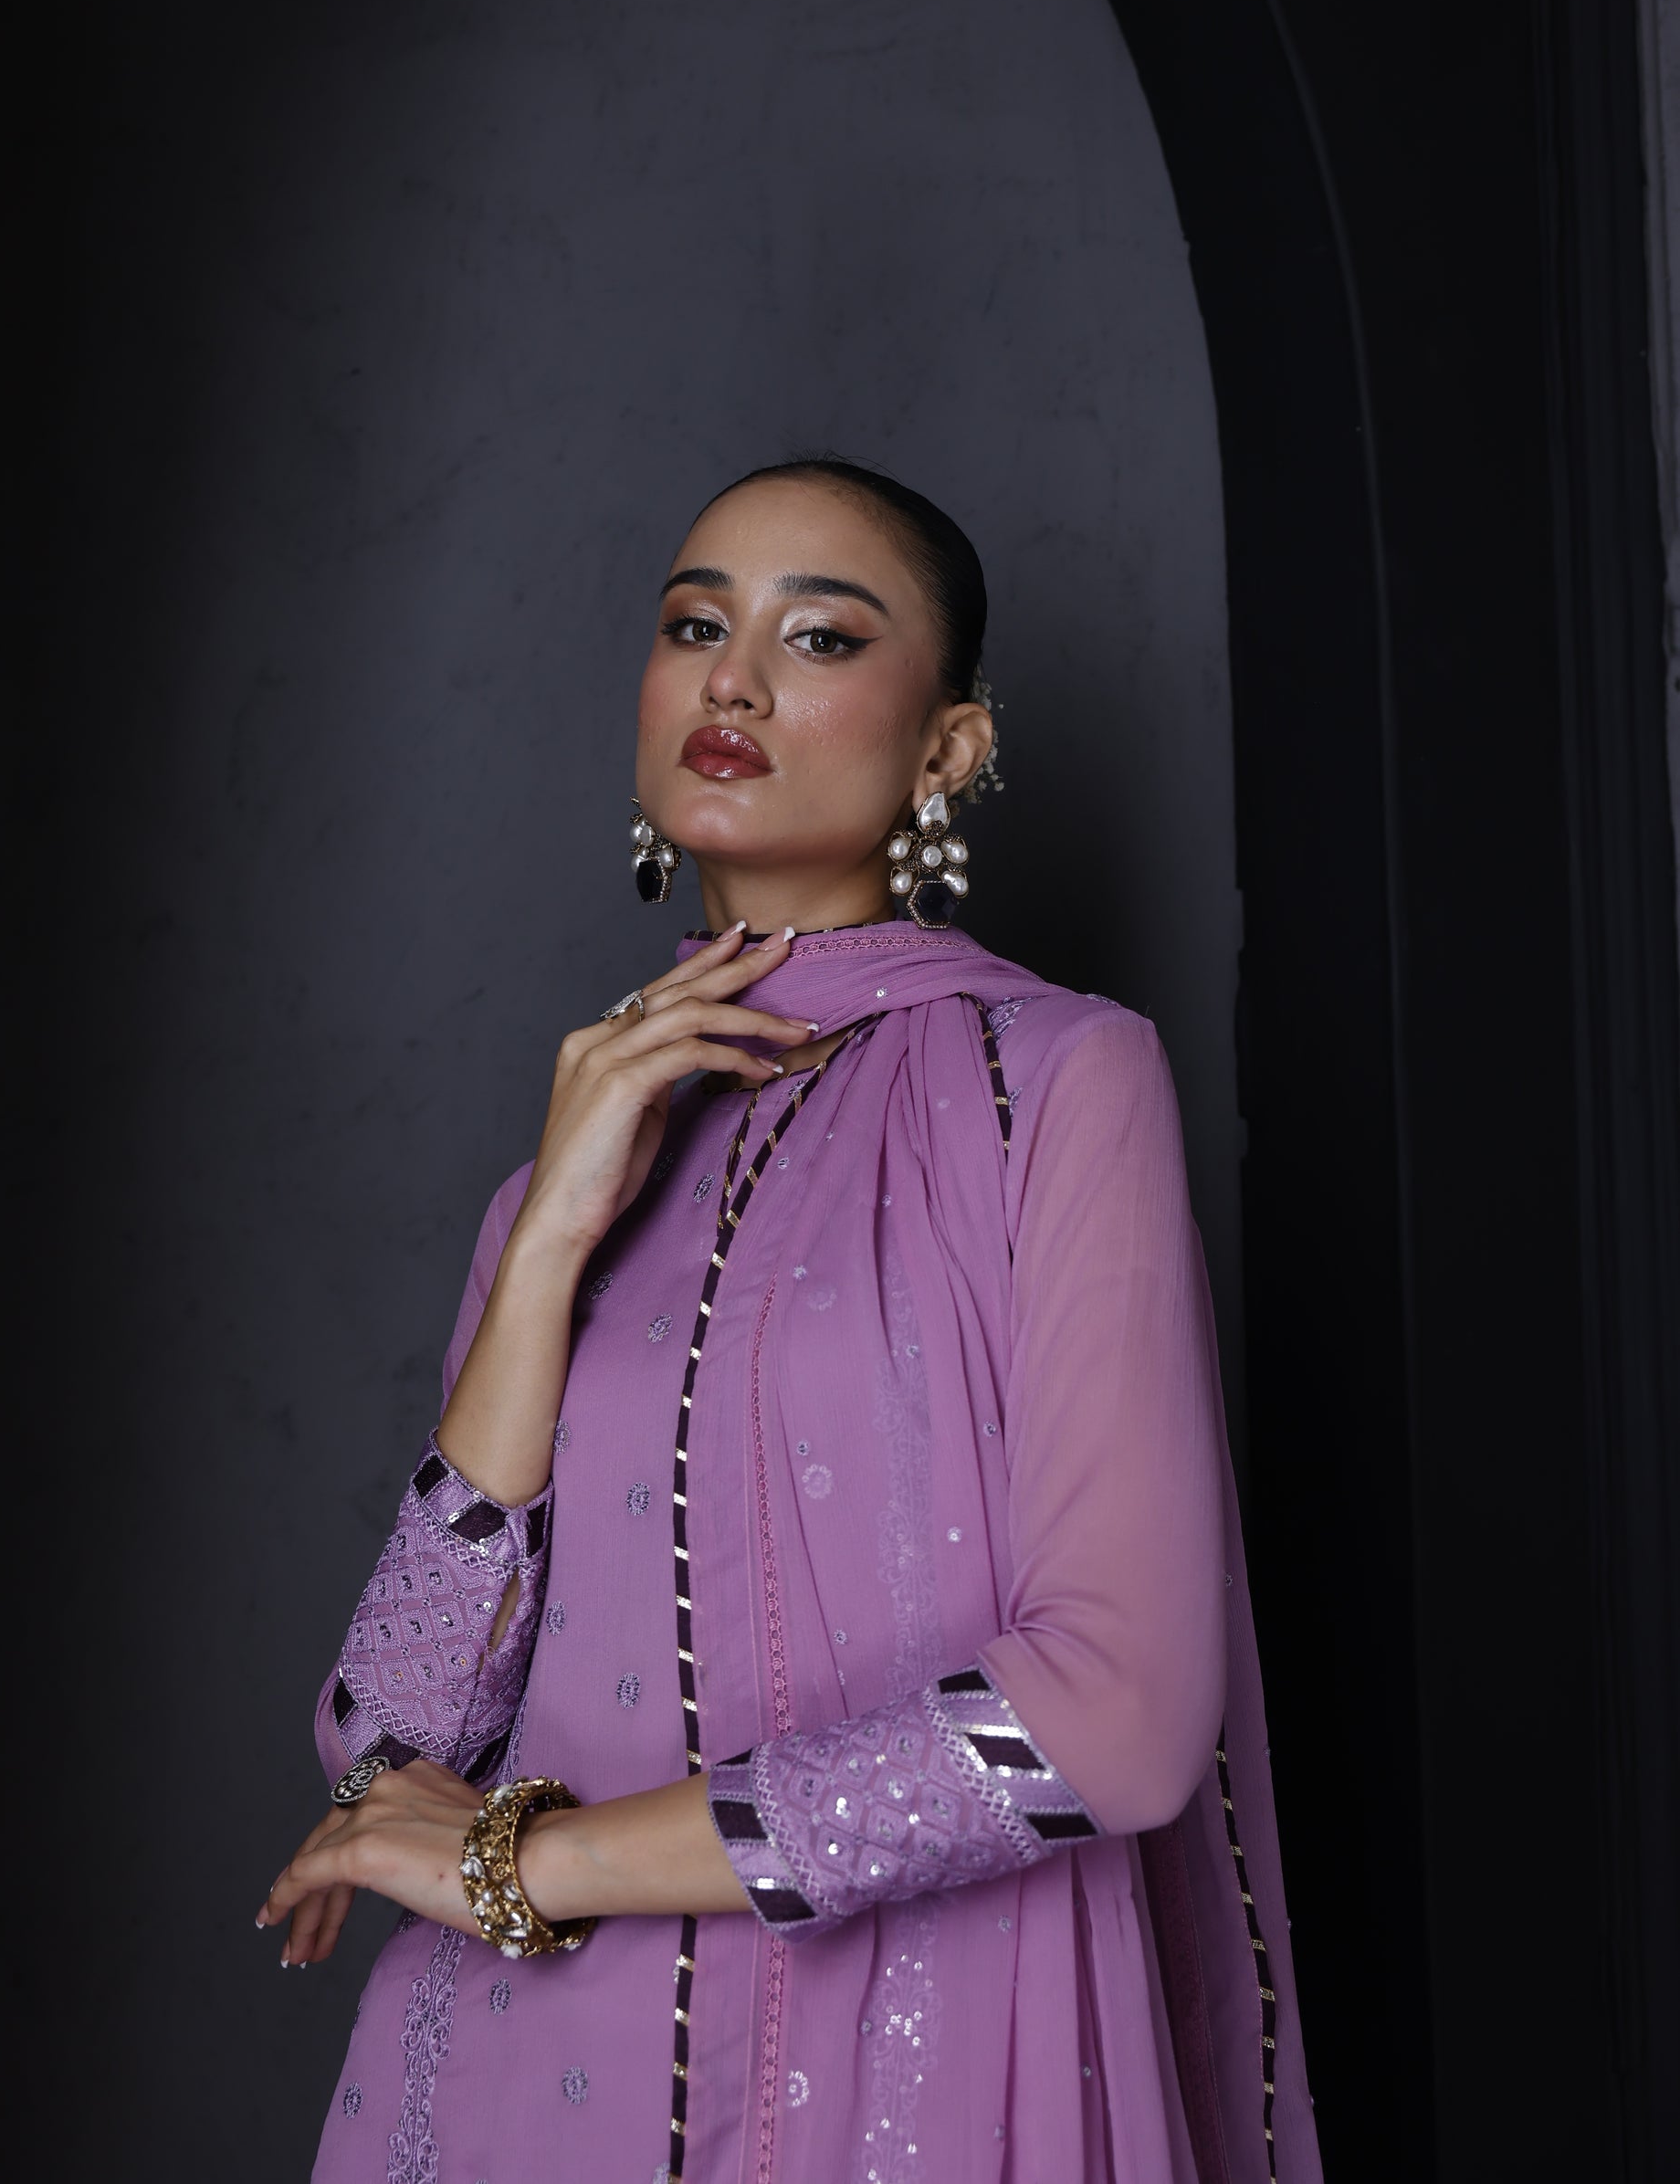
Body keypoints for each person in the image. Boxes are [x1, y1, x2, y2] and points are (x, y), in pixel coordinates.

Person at [261, 457, 1320, 2184]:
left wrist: (542, 1865)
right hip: (524, 2085)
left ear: (947, 748)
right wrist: (546, 1250)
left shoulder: (1053, 1083)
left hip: (904, 2067)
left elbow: (1115, 1712)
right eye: (695, 627)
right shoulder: (558, 1181)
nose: (734, 680)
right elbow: (391, 1743)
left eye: (818, 637)